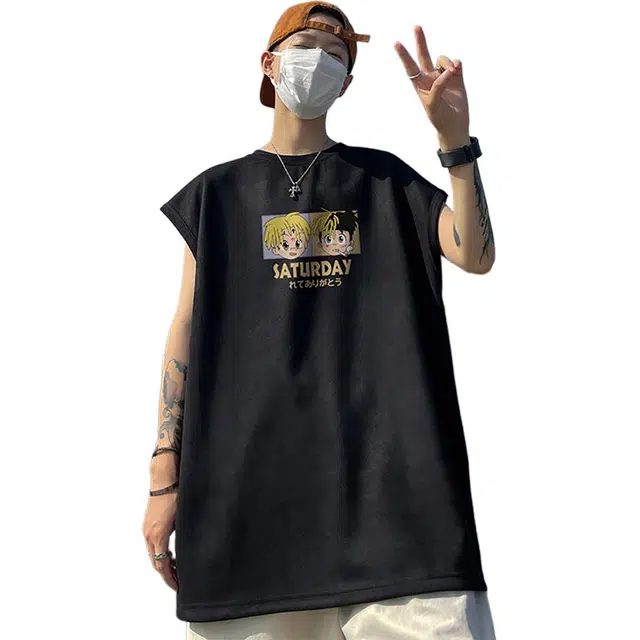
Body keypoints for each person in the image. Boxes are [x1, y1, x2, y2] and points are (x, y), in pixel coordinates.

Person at [142, 2, 498, 638]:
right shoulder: (215, 197)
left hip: (403, 517)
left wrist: (455, 143)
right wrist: (163, 475)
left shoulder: (388, 182)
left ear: (348, 84)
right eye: (306, 46)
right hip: (251, 520)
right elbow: (185, 332)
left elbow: (475, 254)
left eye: (337, 56)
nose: (320, 62)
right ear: (268, 63)